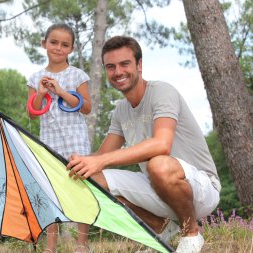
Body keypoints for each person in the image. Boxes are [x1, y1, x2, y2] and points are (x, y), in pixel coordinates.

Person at [67, 36, 221, 253]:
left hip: (201, 189)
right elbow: (100, 158)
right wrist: (76, 162)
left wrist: (100, 160)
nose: (118, 72)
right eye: (111, 67)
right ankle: (163, 229)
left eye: (125, 64)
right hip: (158, 189)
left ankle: (191, 234)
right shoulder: (121, 110)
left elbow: (161, 145)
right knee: (91, 178)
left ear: (139, 65)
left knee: (158, 164)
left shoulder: (162, 92)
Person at [26, 23, 92, 253]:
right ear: (44, 43)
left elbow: (86, 107)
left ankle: (82, 244)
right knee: (51, 191)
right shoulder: (35, 78)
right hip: (49, 141)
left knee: (81, 188)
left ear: (72, 49)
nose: (58, 48)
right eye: (53, 42)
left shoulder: (77, 75)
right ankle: (50, 247)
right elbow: (32, 112)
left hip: (75, 140)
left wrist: (61, 92)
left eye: (65, 44)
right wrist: (42, 93)